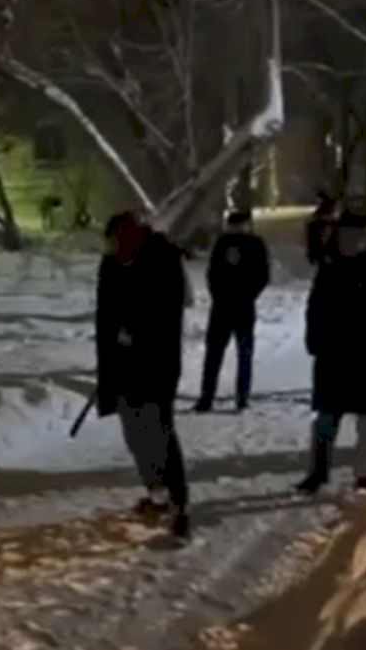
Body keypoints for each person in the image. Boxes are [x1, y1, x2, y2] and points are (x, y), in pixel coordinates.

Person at [95, 211, 189, 539]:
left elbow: (169, 311)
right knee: (135, 434)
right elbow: (104, 315)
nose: (113, 247)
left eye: (116, 240)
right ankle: (156, 493)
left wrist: (135, 332)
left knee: (159, 433)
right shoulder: (110, 264)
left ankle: (179, 502)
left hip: (156, 364)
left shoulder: (163, 259)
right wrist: (107, 361)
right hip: (121, 366)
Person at [296, 211, 366, 495]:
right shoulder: (330, 267)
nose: (347, 240)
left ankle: (364, 474)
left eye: (353, 235)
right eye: (343, 235)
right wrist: (315, 343)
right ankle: (318, 471)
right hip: (332, 355)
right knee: (325, 418)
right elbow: (314, 309)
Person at [195, 210, 270, 413]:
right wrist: (217, 294)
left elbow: (262, 274)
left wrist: (250, 294)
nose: (236, 229)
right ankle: (207, 396)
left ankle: (242, 397)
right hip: (222, 306)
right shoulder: (222, 243)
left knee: (243, 354)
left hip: (242, 306)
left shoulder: (255, 244)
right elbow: (212, 272)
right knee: (214, 354)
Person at [306, 192, 337, 266]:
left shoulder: (328, 212)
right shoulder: (317, 216)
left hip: (326, 240)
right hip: (320, 246)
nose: (317, 203)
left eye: (318, 201)